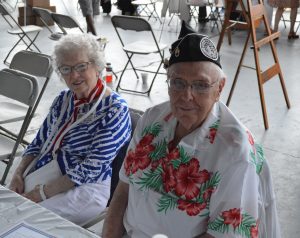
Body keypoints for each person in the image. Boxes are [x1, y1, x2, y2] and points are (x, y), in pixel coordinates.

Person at [102, 22, 281, 238]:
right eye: (178, 82)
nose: (187, 96)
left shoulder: (235, 151)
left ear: (219, 89)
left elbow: (223, 235)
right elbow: (122, 191)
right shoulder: (151, 119)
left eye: (200, 85)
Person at [9, 34, 132, 226]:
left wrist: (41, 193)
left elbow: (93, 167)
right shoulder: (63, 99)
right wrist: (18, 173)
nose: (74, 76)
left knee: (26, 220)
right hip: (46, 173)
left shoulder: (115, 108)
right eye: (66, 69)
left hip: (86, 189)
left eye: (81, 67)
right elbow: (39, 142)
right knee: (9, 208)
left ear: (96, 65)